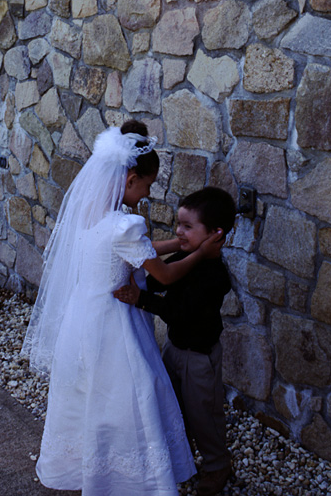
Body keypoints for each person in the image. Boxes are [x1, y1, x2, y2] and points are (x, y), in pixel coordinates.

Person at [21, 120, 224, 496]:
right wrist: (200, 254)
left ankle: (89, 467)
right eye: (146, 185)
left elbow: (141, 251)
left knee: (89, 393)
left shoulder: (92, 216)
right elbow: (161, 275)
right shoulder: (126, 225)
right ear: (130, 179)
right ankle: (132, 476)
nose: (147, 194)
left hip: (83, 318)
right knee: (130, 392)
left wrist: (180, 246)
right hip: (113, 325)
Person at [114, 187, 237, 496]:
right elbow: (158, 278)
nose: (178, 232)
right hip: (174, 348)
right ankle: (181, 457)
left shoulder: (215, 276)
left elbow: (180, 312)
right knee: (174, 406)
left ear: (215, 234)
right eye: (178, 224)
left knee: (204, 414)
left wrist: (142, 299)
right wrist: (137, 278)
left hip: (199, 356)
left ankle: (217, 465)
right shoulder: (186, 255)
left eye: (187, 226)